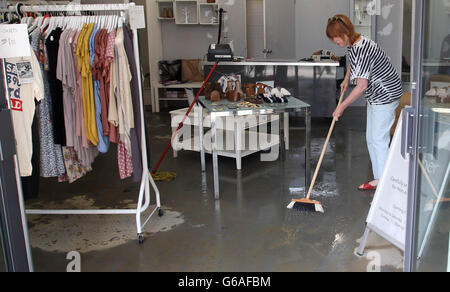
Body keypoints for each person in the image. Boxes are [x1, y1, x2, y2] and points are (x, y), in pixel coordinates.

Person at [326, 14, 403, 191]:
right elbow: (354, 64)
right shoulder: (354, 44)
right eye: (332, 38)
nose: (335, 41)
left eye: (337, 36)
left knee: (379, 140)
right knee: (371, 139)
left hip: (386, 94)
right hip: (376, 95)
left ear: (345, 32)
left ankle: (386, 190)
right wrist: (346, 78)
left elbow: (361, 86)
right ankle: (379, 179)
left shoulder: (363, 48)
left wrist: (342, 106)